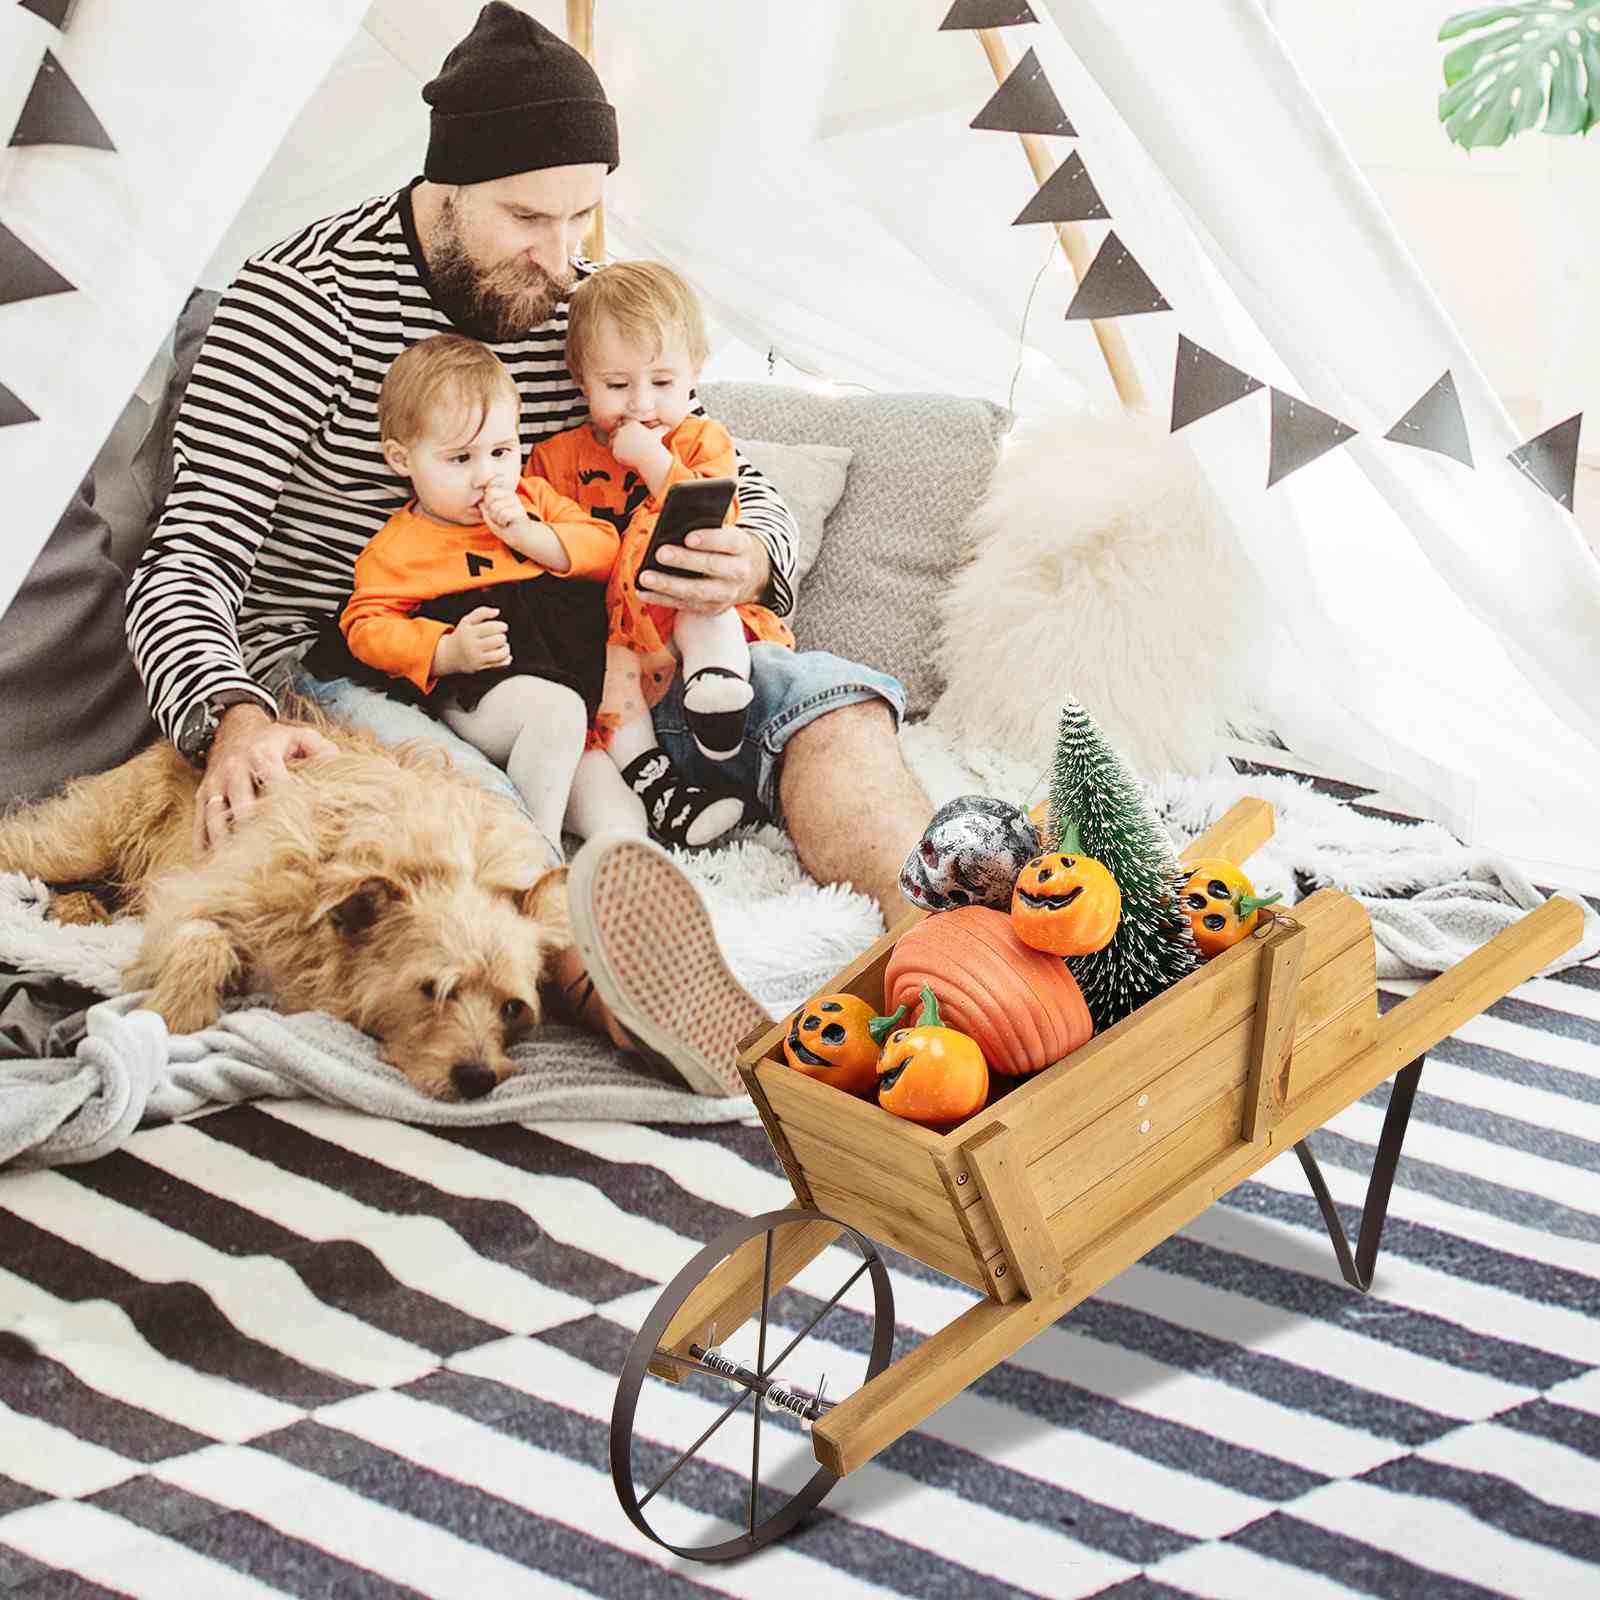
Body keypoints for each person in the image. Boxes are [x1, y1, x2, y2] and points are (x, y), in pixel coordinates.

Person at [125, 0, 931, 1087]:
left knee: (830, 699)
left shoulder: (576, 306)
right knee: (471, 821)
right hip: (367, 675)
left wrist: (754, 555)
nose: (562, 258)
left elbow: (717, 454)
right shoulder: (293, 306)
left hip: (597, 648)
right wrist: (227, 718)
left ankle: (934, 946)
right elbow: (190, 561)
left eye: (584, 219)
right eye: (529, 220)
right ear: (445, 189)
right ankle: (645, 1003)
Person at [318, 331, 745, 855]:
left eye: (501, 451)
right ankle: (530, 858)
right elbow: (365, 626)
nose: (487, 476)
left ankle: (615, 874)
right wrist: (443, 649)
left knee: (617, 810)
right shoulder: (402, 544)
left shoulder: (532, 499)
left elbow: (603, 547)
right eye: (460, 460)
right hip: (479, 690)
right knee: (556, 713)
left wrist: (528, 534)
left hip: (568, 695)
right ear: (402, 459)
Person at [533, 260, 793, 848]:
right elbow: (548, 540)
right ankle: (665, 795)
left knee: (708, 606)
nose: (641, 404)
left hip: (688, 614)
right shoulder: (557, 459)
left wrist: (651, 459)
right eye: (617, 386)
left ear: (695, 374)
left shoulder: (702, 440)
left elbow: (721, 519)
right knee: (610, 698)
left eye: (663, 382)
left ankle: (717, 697)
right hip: (616, 637)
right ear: (581, 377)